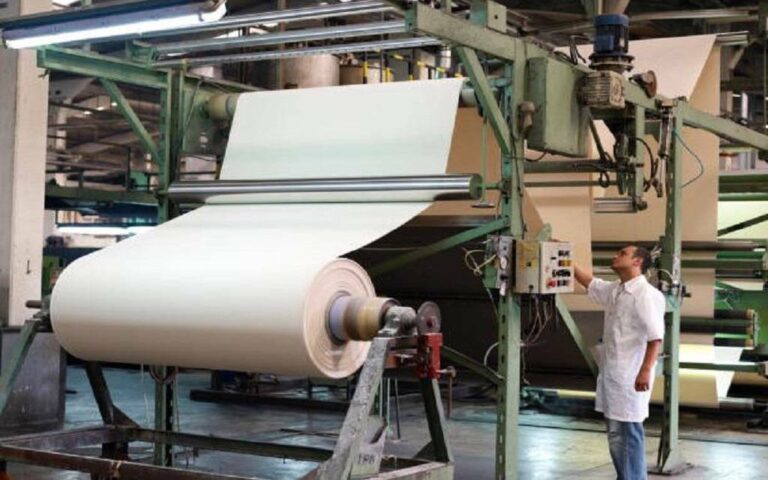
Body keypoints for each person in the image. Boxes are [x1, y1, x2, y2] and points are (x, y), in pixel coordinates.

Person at [573, 245, 665, 480]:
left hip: (629, 377)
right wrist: (563, 258)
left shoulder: (644, 295)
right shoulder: (617, 289)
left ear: (637, 262)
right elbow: (592, 284)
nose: (616, 256)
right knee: (617, 435)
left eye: (622, 254)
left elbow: (655, 337)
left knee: (627, 435)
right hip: (615, 376)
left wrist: (645, 371)